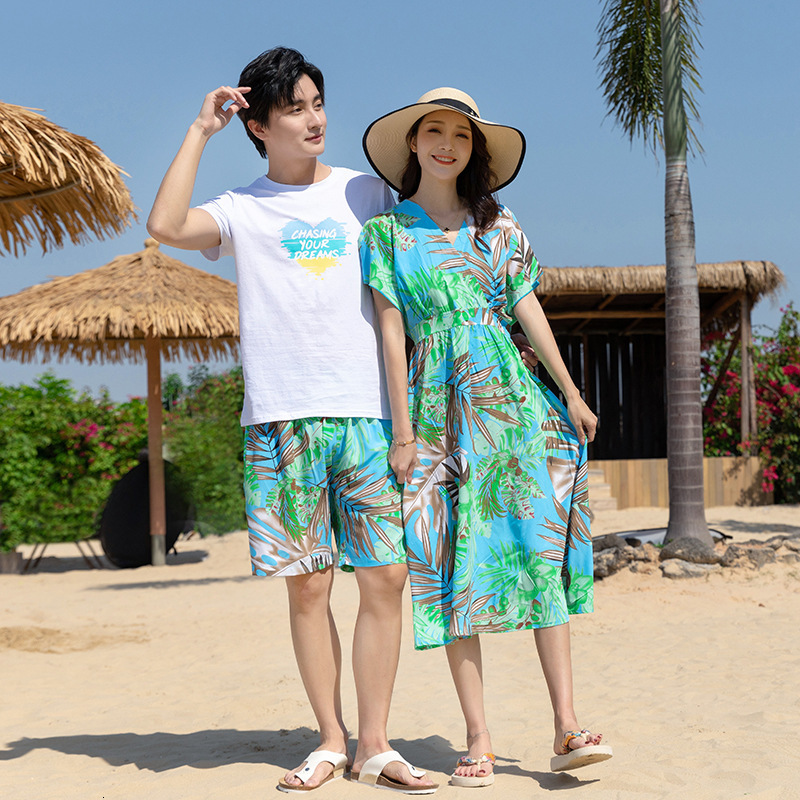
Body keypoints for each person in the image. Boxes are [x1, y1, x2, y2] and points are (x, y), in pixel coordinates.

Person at [147, 47, 437, 794]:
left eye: (317, 102)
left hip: (367, 417)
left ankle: (376, 741)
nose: (316, 119)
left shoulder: (365, 193)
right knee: (308, 587)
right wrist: (199, 130)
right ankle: (332, 739)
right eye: (297, 109)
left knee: (386, 577)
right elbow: (166, 223)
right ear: (261, 128)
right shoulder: (242, 209)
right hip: (279, 421)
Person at [359, 88, 613, 787]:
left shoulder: (498, 225)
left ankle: (567, 724)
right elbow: (389, 333)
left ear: (474, 151)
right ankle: (478, 734)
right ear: (412, 143)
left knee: (538, 554)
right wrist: (403, 431)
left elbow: (526, 306)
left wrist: (569, 389)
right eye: (433, 131)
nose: (447, 143)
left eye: (461, 136)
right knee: (446, 566)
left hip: (509, 407)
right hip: (435, 416)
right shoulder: (384, 235)